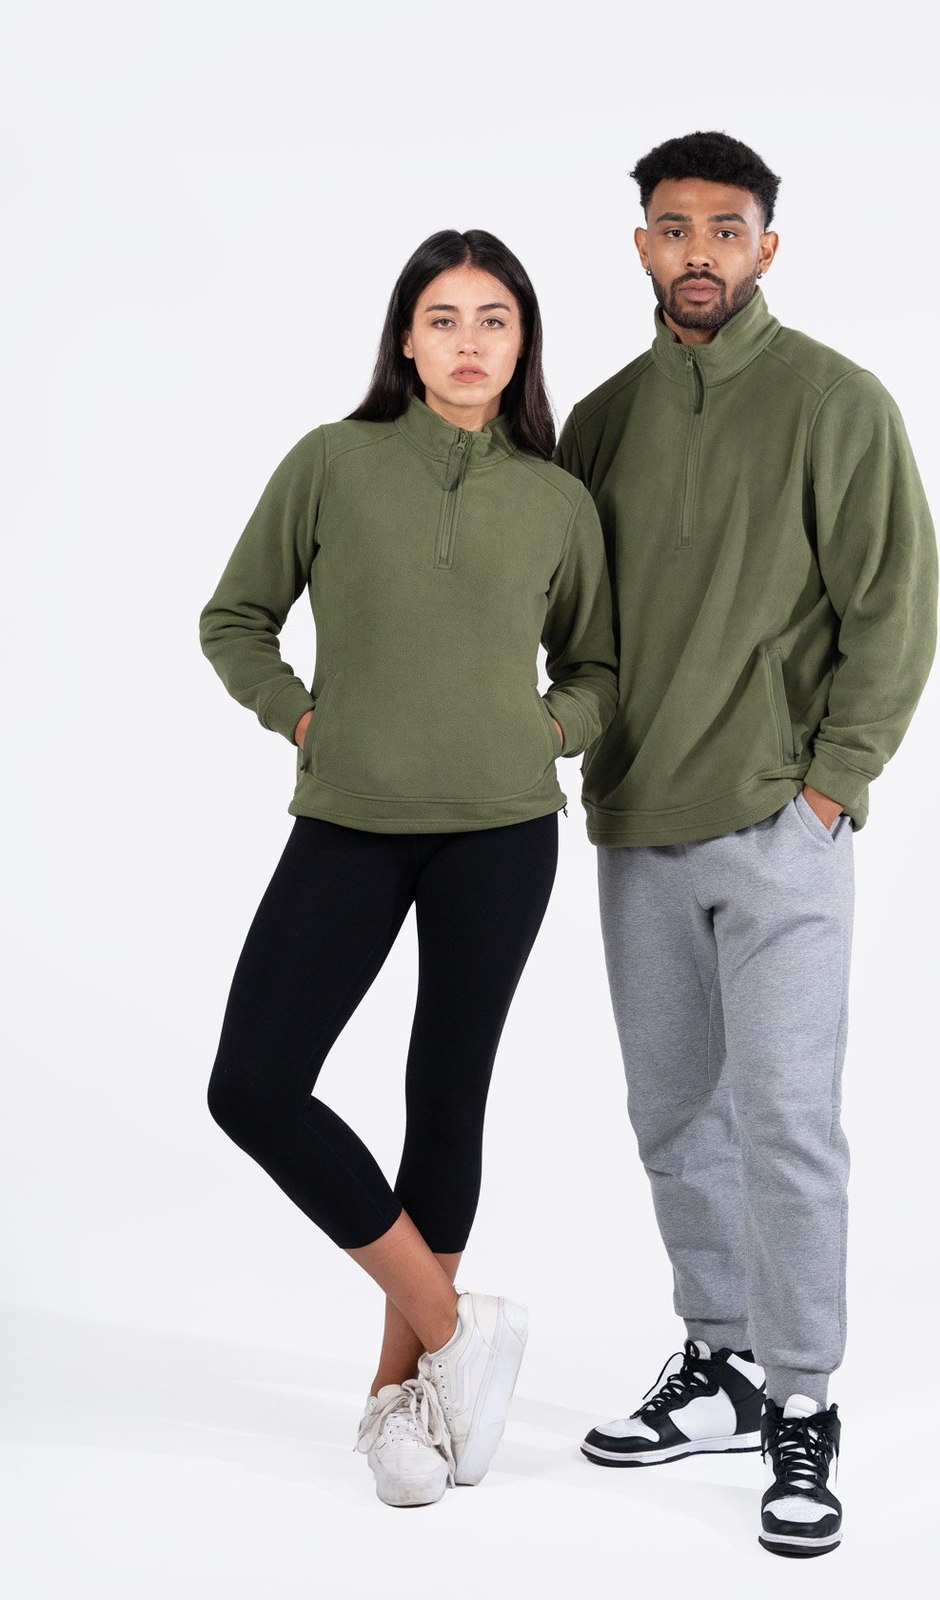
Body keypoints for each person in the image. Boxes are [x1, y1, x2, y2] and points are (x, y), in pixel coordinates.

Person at [555, 131, 938, 1558]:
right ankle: (716, 1361)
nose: (698, 252)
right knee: (673, 1119)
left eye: (726, 228)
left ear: (766, 246)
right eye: (673, 227)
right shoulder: (599, 420)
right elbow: (565, 617)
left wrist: (830, 788)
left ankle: (802, 1401)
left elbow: (892, 605)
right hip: (634, 825)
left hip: (781, 831)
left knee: (784, 1123)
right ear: (641, 246)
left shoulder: (835, 401)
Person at [199, 228, 617, 1510]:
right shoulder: (331, 462)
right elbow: (235, 618)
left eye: (495, 320)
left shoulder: (554, 497)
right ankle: (454, 1329)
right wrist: (304, 718)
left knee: (444, 1094)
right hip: (351, 817)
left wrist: (544, 734)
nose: (469, 342)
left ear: (522, 343)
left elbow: (595, 668)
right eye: (444, 318)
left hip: (501, 829)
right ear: (405, 338)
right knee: (253, 1085)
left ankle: (405, 1405)